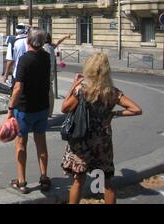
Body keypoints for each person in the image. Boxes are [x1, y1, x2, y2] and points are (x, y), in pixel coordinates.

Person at [61, 53, 142, 204]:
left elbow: (64, 108)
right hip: (102, 141)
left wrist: (73, 85)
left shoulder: (82, 90)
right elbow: (136, 109)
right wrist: (115, 113)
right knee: (107, 181)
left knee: (78, 180)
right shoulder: (112, 92)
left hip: (82, 139)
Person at [6, 28, 51, 194]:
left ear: (28, 41)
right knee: (41, 143)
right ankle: (44, 178)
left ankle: (22, 181)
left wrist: (10, 108)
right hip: (42, 106)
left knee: (21, 144)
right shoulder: (46, 57)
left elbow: (18, 87)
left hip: (24, 109)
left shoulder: (24, 60)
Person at [43, 33, 71, 118]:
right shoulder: (51, 47)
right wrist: (66, 36)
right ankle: (50, 111)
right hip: (51, 72)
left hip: (45, 73)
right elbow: (59, 41)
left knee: (47, 92)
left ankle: (47, 112)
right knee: (50, 92)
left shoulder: (44, 48)